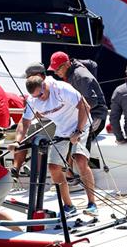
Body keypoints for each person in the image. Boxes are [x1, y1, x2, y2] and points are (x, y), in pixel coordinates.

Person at [14, 75, 97, 216]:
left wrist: (78, 131)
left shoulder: (61, 88)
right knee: (53, 167)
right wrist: (17, 141)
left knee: (80, 159)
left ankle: (92, 203)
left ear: (45, 86)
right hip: (62, 130)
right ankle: (69, 206)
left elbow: (85, 106)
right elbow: (25, 122)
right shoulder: (33, 99)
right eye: (36, 96)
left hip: (81, 124)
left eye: (41, 94)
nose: (40, 98)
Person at [49, 51, 108, 141]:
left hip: (96, 115)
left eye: (57, 69)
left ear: (67, 64)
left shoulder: (80, 77)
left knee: (72, 139)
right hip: (84, 112)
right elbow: (93, 64)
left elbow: (92, 101)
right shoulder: (73, 67)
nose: (55, 73)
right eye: (54, 70)